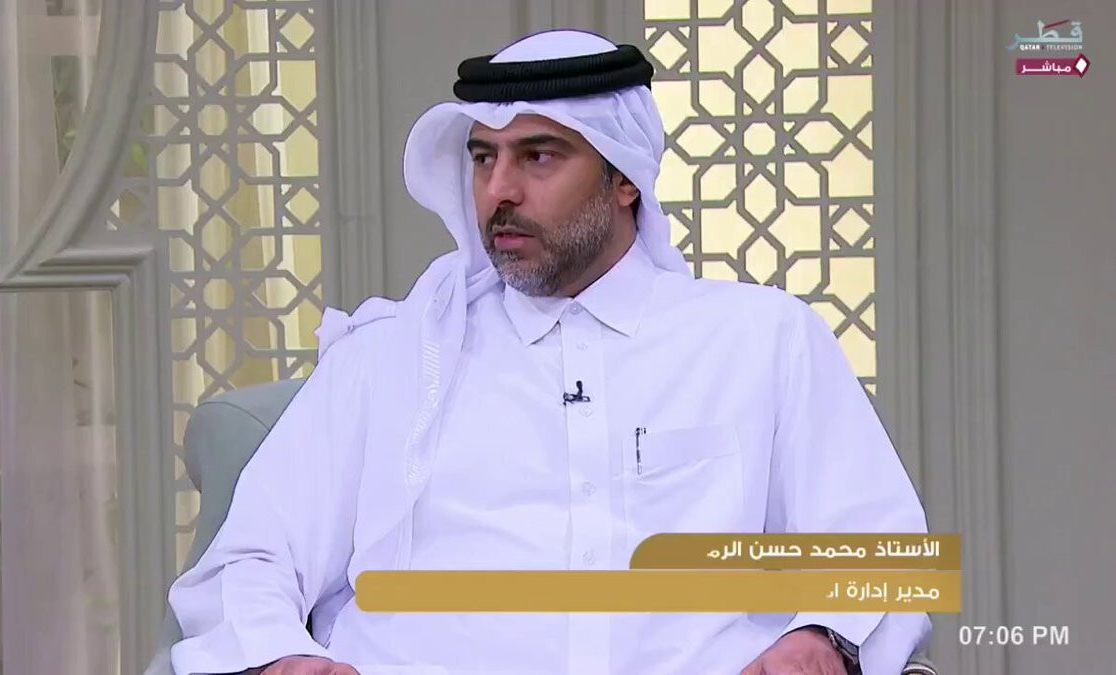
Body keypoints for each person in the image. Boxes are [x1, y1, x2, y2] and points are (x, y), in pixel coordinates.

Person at [167, 29, 931, 675]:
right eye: (482, 158)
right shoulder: (390, 359)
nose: (498, 190)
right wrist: (282, 656)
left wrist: (822, 635)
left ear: (622, 177)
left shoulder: (760, 339)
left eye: (537, 157)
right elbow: (249, 561)